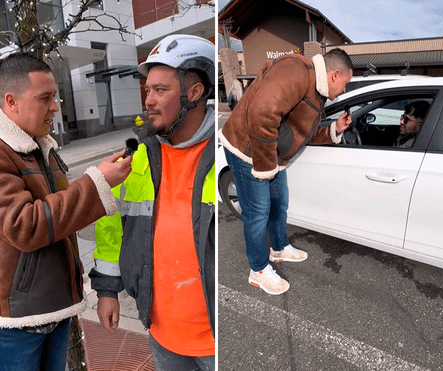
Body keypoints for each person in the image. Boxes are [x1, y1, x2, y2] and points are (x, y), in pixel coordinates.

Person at [90, 34, 216, 369]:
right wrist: (106, 291)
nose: (148, 99)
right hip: (162, 333)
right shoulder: (137, 158)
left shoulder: (223, 156)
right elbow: (110, 224)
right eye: (148, 90)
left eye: (160, 90)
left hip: (215, 340)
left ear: (194, 93)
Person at [0, 53, 131, 370]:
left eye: (55, 97)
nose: (55, 107)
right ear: (11, 102)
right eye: (45, 98)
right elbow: (24, 226)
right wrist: (96, 183)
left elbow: (59, 215)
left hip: (53, 306)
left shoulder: (39, 145)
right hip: (18, 321)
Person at [219, 49, 353, 295]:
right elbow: (261, 114)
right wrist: (265, 167)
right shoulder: (296, 70)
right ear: (335, 75)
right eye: (346, 84)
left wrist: (334, 128)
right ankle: (258, 270)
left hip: (270, 153)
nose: (344, 91)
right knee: (257, 212)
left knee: (279, 203)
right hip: (247, 149)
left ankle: (279, 248)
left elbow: (303, 131)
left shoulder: (316, 89)